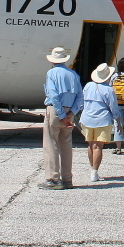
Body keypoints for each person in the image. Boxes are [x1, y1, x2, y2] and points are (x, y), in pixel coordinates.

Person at [40, 46, 83, 190]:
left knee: (51, 145)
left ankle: (53, 178)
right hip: (70, 111)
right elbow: (80, 97)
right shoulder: (74, 74)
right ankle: (67, 179)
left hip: (55, 111)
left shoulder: (51, 73)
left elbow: (53, 95)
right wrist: (71, 114)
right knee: (66, 146)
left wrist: (61, 115)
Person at [79, 64, 119, 182]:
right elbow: (114, 108)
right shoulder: (109, 90)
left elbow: (82, 101)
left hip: (86, 118)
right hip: (102, 119)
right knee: (98, 147)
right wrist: (118, 121)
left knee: (91, 145)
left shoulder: (88, 86)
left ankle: (92, 169)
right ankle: (94, 173)